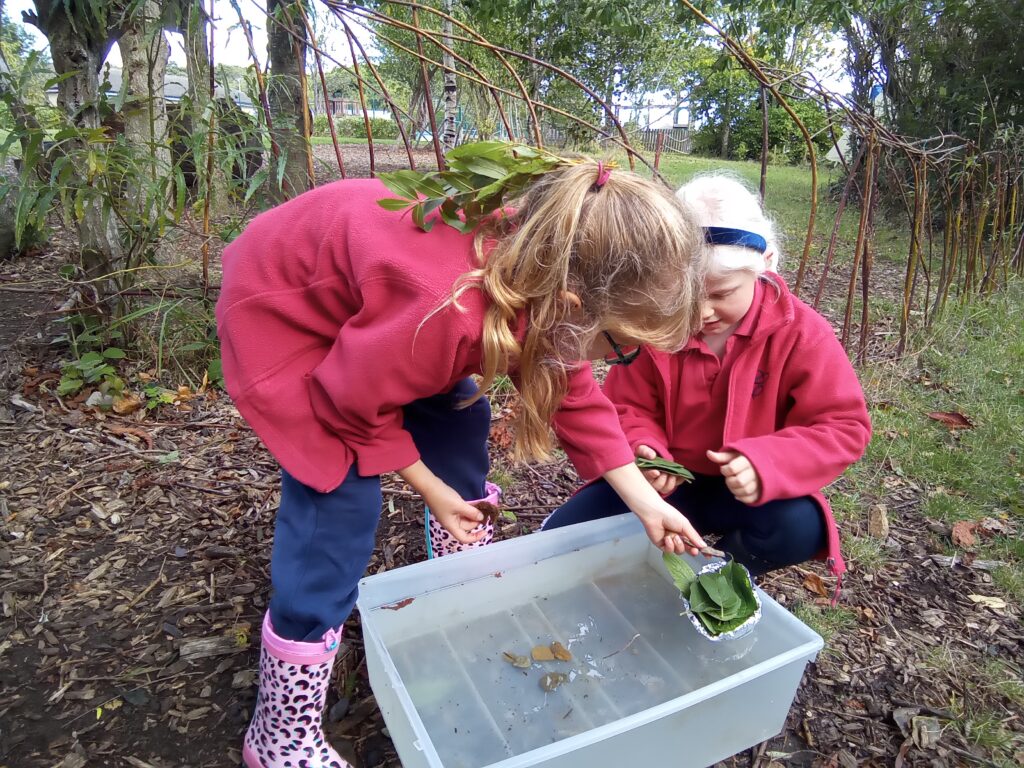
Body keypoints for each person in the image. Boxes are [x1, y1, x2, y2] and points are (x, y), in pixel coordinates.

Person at [216, 156, 710, 768]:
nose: (617, 361)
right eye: (621, 347)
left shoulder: (553, 264)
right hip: (289, 310)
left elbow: (576, 396)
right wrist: (428, 488)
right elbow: (350, 403)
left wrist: (649, 504)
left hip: (387, 326)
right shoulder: (444, 311)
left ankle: (456, 574)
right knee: (339, 500)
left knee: (461, 415)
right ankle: (280, 732)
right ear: (576, 301)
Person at [543, 173, 872, 595]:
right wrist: (647, 450)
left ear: (765, 265)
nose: (701, 311)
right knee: (563, 535)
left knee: (799, 525)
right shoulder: (656, 329)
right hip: (671, 486)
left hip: (750, 494)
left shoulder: (801, 334)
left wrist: (766, 463)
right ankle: (647, 564)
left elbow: (843, 427)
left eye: (721, 293)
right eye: (686, 293)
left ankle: (722, 578)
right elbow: (625, 406)